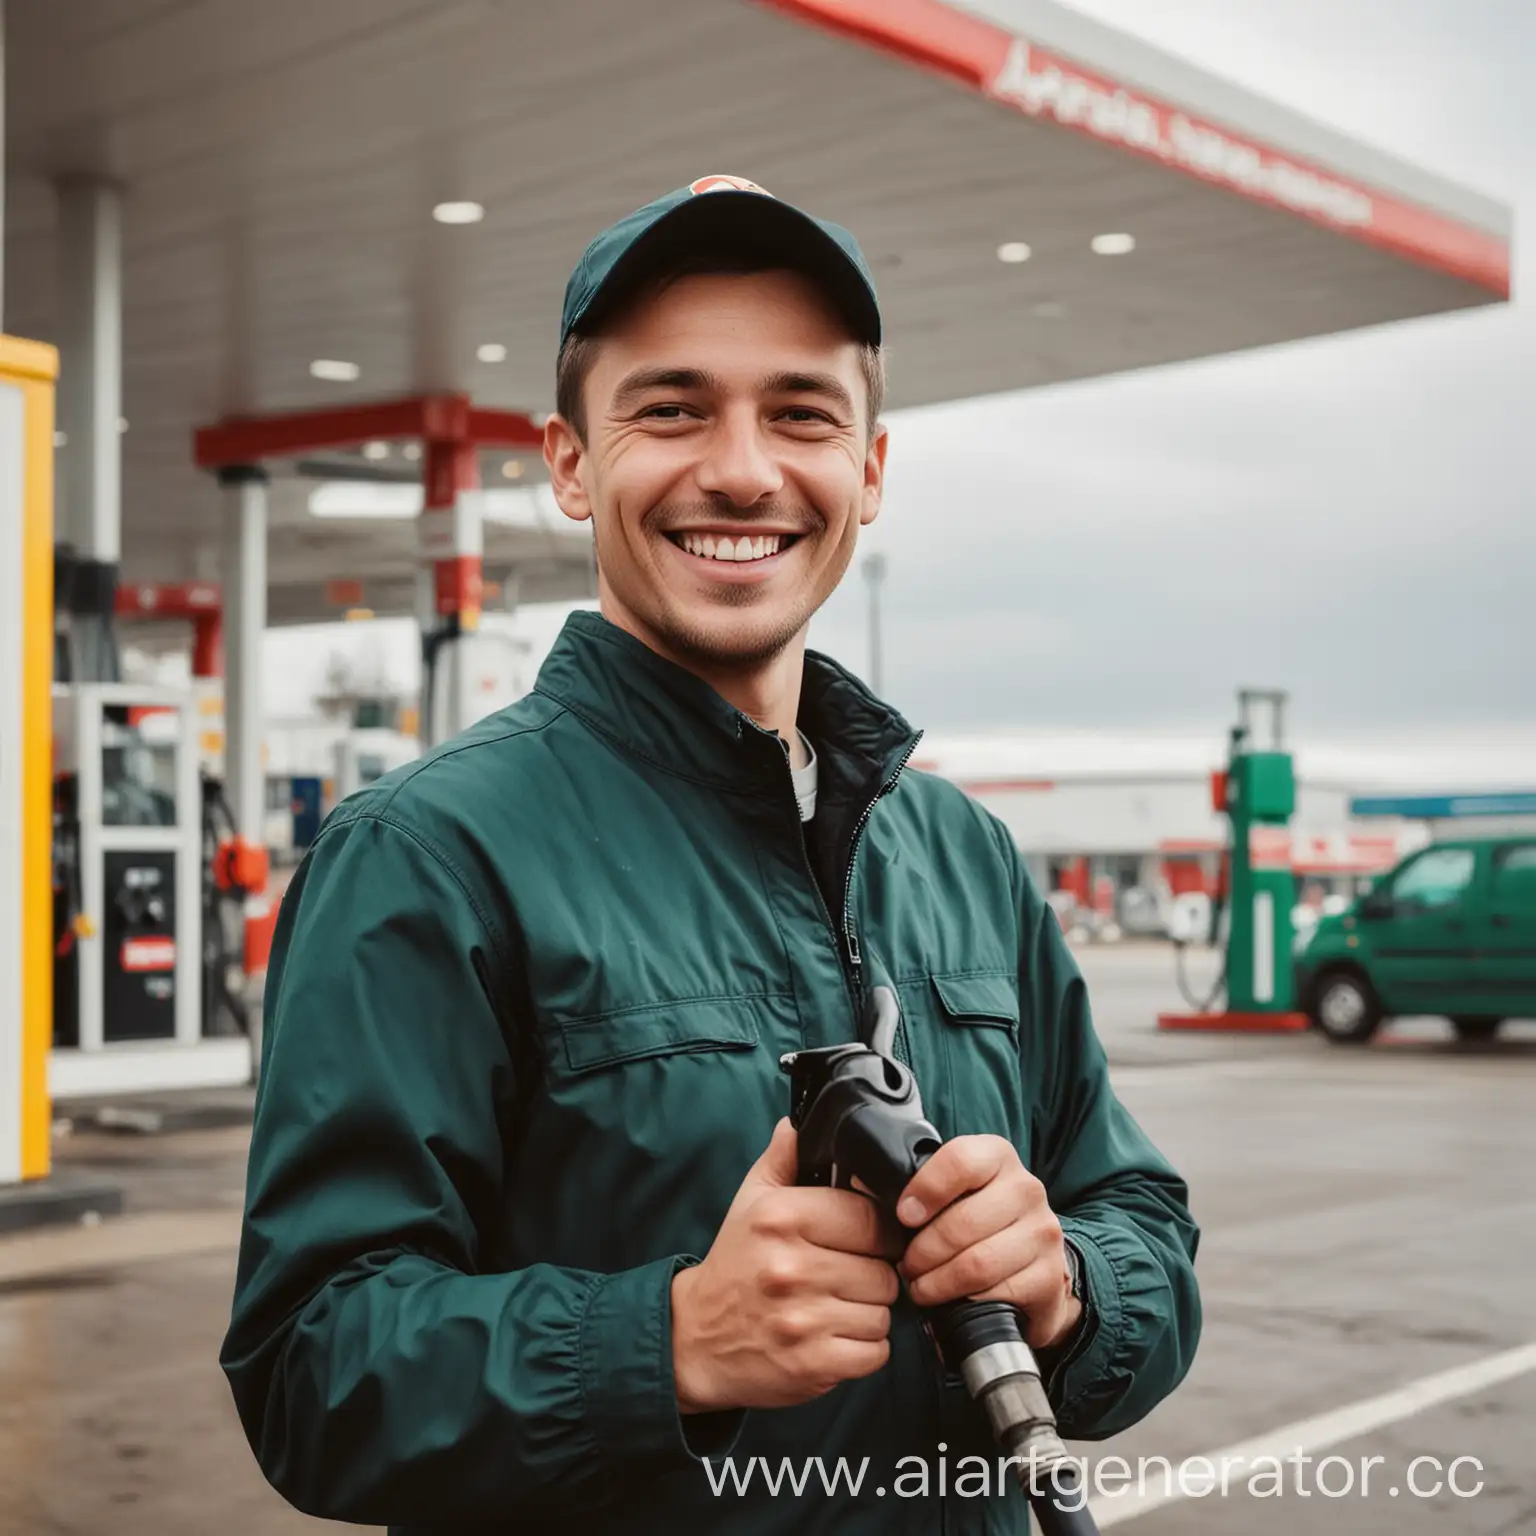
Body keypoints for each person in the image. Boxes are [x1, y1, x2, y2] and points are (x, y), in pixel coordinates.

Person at [221, 176, 1201, 1535]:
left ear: (867, 468)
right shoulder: (426, 859)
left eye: (800, 412)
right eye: (672, 408)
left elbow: (1138, 1208)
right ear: (569, 461)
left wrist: (1066, 1280)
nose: (742, 469)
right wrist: (669, 1341)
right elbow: (307, 1370)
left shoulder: (964, 849)